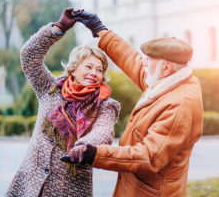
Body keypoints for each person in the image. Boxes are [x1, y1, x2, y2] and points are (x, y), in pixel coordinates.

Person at [62, 11, 204, 197]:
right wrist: (100, 30)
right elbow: (133, 61)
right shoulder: (169, 81)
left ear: (167, 67)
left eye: (149, 59)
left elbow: (149, 157)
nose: (143, 61)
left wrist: (96, 154)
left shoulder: (179, 105)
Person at [6, 8, 120, 197]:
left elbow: (104, 131)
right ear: (73, 69)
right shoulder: (50, 89)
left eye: (99, 70)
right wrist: (58, 28)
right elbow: (29, 57)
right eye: (89, 66)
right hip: (30, 184)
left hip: (69, 189)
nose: (94, 73)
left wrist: (84, 145)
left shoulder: (106, 104)